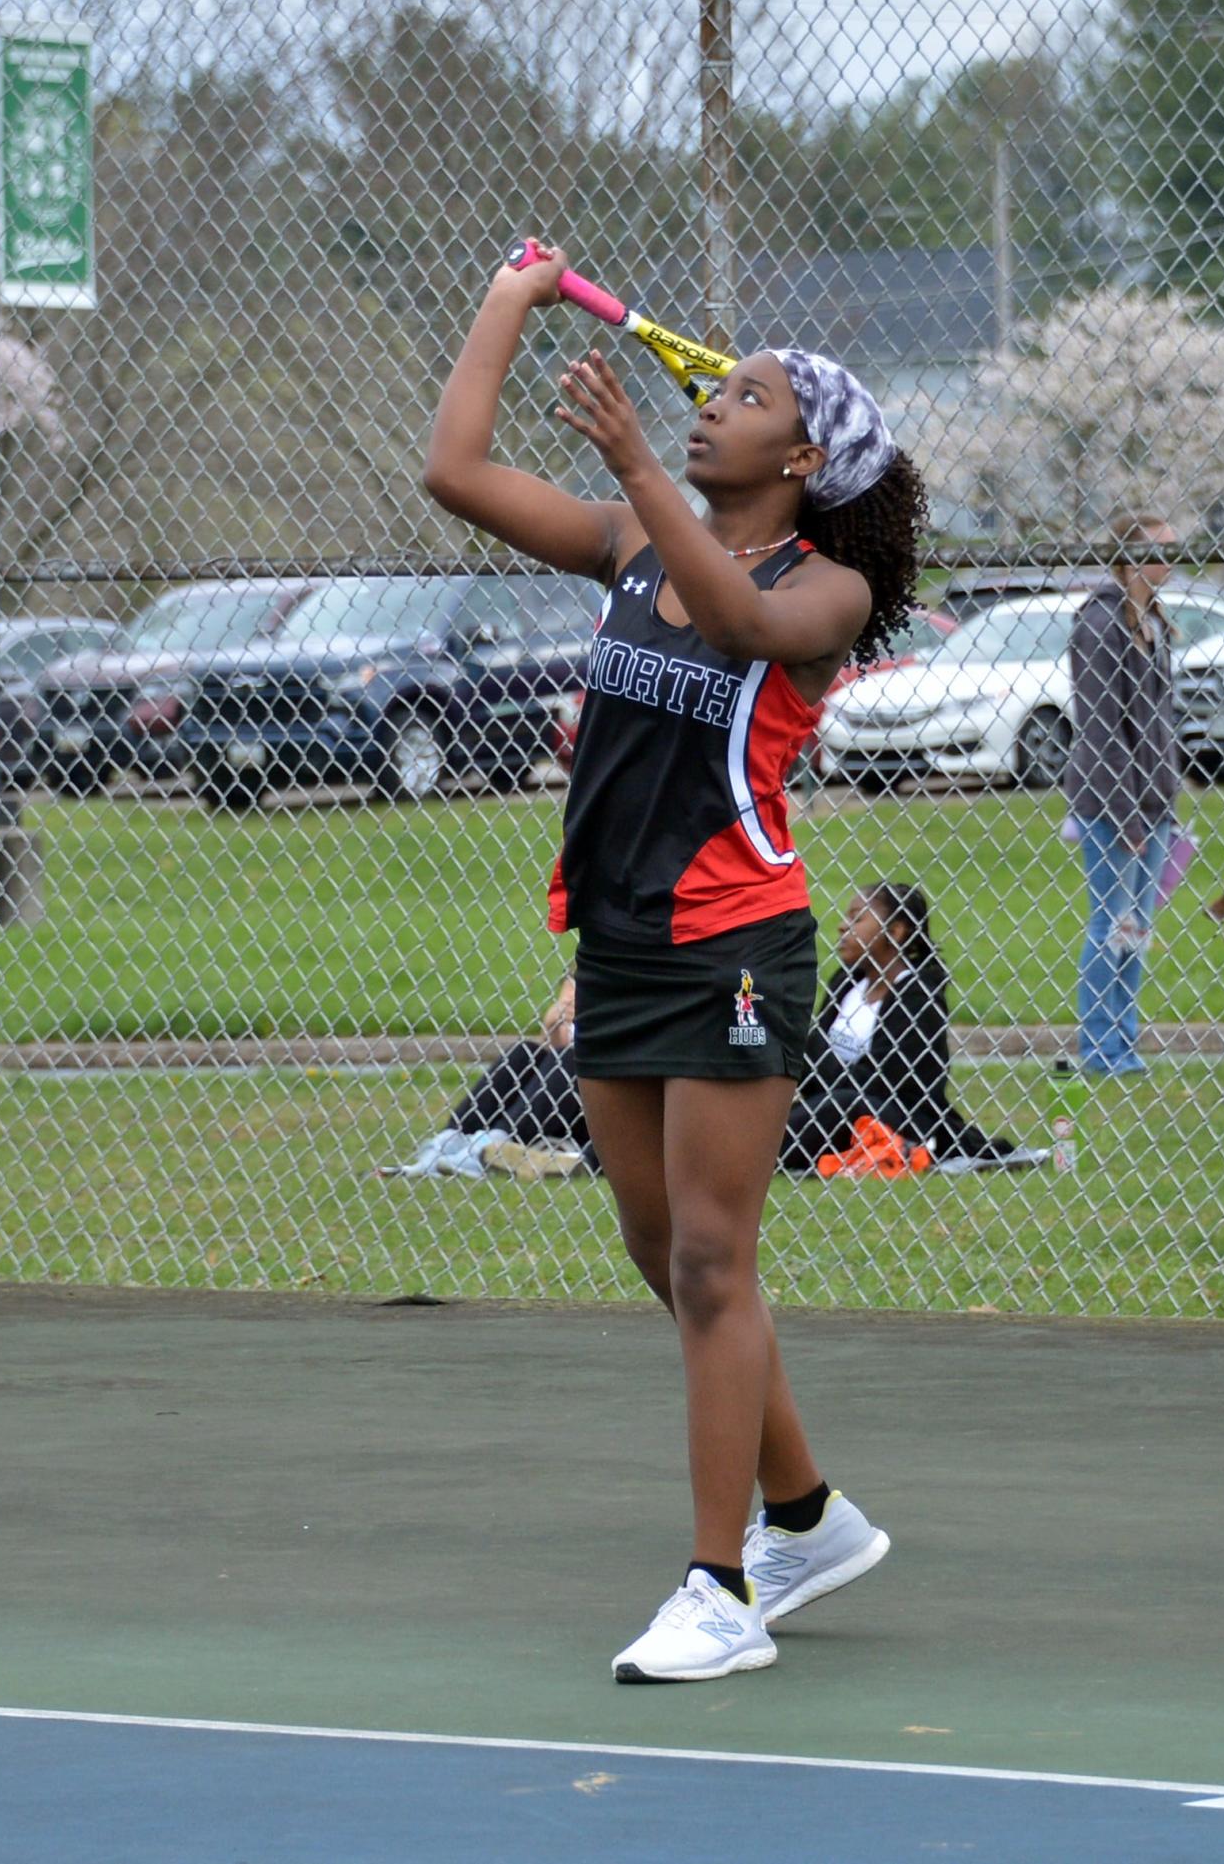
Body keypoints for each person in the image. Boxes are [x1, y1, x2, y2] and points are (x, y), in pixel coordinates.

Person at [424, 239, 927, 1684]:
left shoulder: (820, 592)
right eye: (718, 391)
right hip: (624, 939)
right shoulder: (636, 539)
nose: (712, 404)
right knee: (664, 1252)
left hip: (736, 941)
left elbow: (743, 623)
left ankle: (720, 1590)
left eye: (748, 395)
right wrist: (506, 297)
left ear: (806, 452)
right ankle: (808, 1516)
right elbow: (454, 472)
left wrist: (643, 465)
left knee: (713, 1254)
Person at [781, 883, 1018, 1170]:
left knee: (844, 1103)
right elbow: (810, 1070)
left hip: (904, 1119)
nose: (843, 927)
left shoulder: (918, 996)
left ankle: (756, 1153)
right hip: (832, 1109)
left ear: (895, 931)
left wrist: (805, 1041)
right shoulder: (847, 983)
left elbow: (876, 1084)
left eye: (857, 918)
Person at [1065, 514, 1180, 1075]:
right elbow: (1103, 732)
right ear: (1131, 558)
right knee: (1110, 924)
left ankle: (1124, 1042)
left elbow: (1160, 725)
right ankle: (1098, 1047)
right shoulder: (1101, 623)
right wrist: (1129, 818)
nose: (1171, 562)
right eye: (1161, 552)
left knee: (1136, 928)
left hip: (1154, 806)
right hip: (1114, 806)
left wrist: (1165, 805)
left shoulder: (1152, 621)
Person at [401, 977, 590, 1180]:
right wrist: (553, 1026)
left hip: (599, 1117)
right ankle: (450, 1141)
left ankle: (492, 1150)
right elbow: (554, 1054)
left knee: (570, 1059)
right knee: (526, 1052)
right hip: (566, 1104)